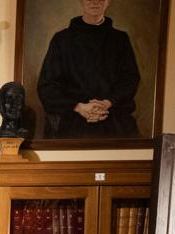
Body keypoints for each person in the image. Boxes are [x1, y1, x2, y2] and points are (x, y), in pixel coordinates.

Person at [36, 0, 140, 139]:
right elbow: (47, 86)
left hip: (114, 120)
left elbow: (131, 79)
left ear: (108, 2)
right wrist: (79, 107)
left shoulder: (120, 39)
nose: (94, 2)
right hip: (72, 121)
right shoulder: (62, 39)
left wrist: (108, 103)